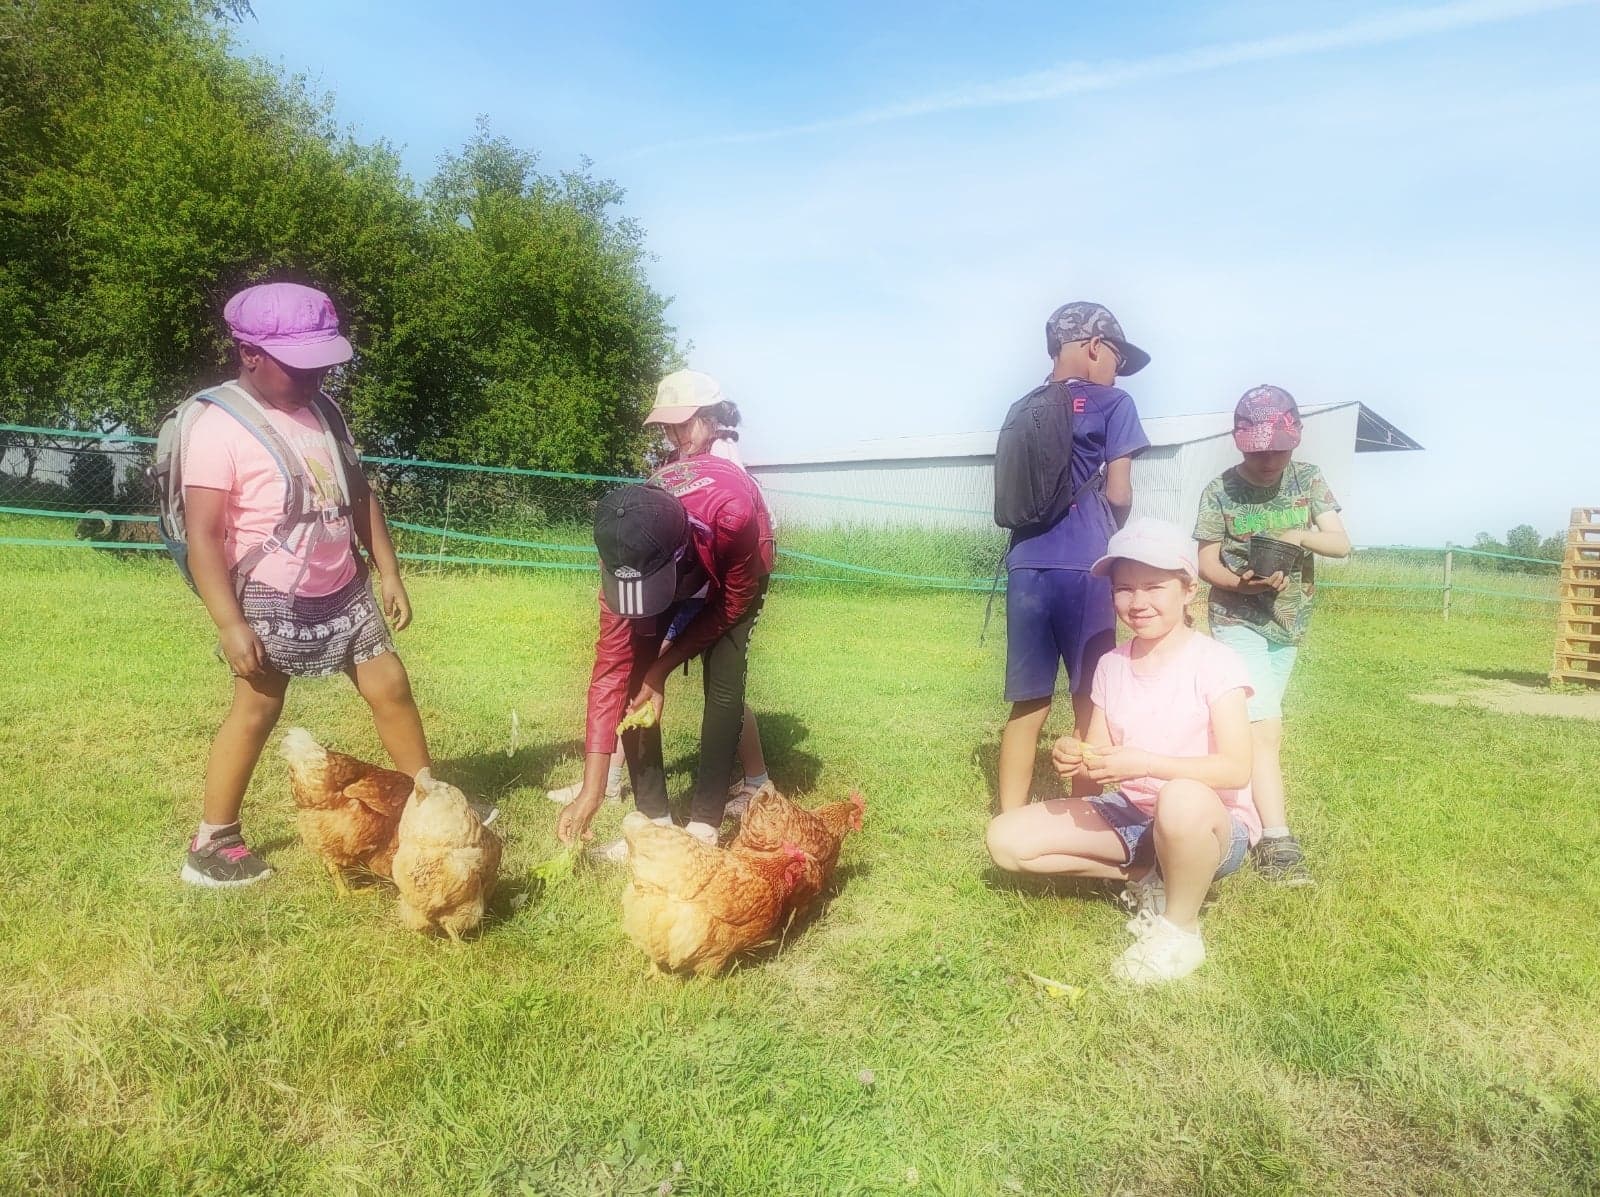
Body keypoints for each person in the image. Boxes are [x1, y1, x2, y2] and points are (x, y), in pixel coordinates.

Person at [180, 282, 462, 887]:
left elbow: (358, 494)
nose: (314, 378)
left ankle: (428, 803)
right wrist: (230, 624)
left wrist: (387, 569)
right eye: (299, 366)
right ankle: (214, 840)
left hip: (344, 584)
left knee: (390, 684)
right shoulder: (217, 428)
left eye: (323, 365)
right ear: (249, 353)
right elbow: (203, 536)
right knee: (257, 707)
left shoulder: (324, 412)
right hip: (267, 595)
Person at [985, 518, 1258, 984]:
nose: (1137, 602)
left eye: (1153, 587)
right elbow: (1098, 752)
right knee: (1005, 840)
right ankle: (1147, 875)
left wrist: (1148, 763)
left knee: (1180, 796)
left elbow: (1235, 769)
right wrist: (1076, 753)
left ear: (1188, 590)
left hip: (1210, 824)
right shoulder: (1112, 665)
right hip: (1132, 813)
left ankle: (1179, 930)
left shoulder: (1217, 663)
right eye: (1124, 589)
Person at [557, 374, 776, 860]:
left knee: (723, 685)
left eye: (684, 423)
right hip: (678, 558)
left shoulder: (732, 514)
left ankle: (704, 828)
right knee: (634, 679)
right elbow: (609, 673)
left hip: (734, 571)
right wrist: (592, 790)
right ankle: (653, 824)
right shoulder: (623, 545)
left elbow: (731, 605)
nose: (675, 435)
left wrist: (662, 666)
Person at [996, 302, 1151, 813]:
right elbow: (1121, 492)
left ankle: (1012, 818)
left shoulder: (1022, 407)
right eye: (1115, 356)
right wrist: (1112, 532)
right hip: (1086, 565)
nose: (1116, 370)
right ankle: (1083, 811)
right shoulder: (1114, 403)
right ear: (1092, 347)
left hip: (1025, 565)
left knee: (1029, 699)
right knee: (1090, 696)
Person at [1193, 385, 1350, 886]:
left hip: (1289, 623)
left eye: (1277, 449)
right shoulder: (1220, 489)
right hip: (1237, 619)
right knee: (1265, 728)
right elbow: (1205, 562)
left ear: (1296, 439)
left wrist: (1298, 536)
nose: (1267, 460)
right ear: (1240, 443)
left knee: (1251, 729)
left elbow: (1340, 544)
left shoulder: (1308, 480)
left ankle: (1229, 812)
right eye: (1257, 450)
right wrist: (1243, 583)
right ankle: (1277, 840)